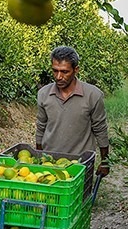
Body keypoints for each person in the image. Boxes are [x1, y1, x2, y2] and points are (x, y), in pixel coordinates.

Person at [35, 46, 110, 178]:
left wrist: (105, 162)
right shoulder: (43, 94)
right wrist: (40, 159)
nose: (59, 77)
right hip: (50, 163)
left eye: (65, 72)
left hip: (81, 163)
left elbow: (100, 130)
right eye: (55, 71)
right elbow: (41, 128)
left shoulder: (93, 95)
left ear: (76, 70)